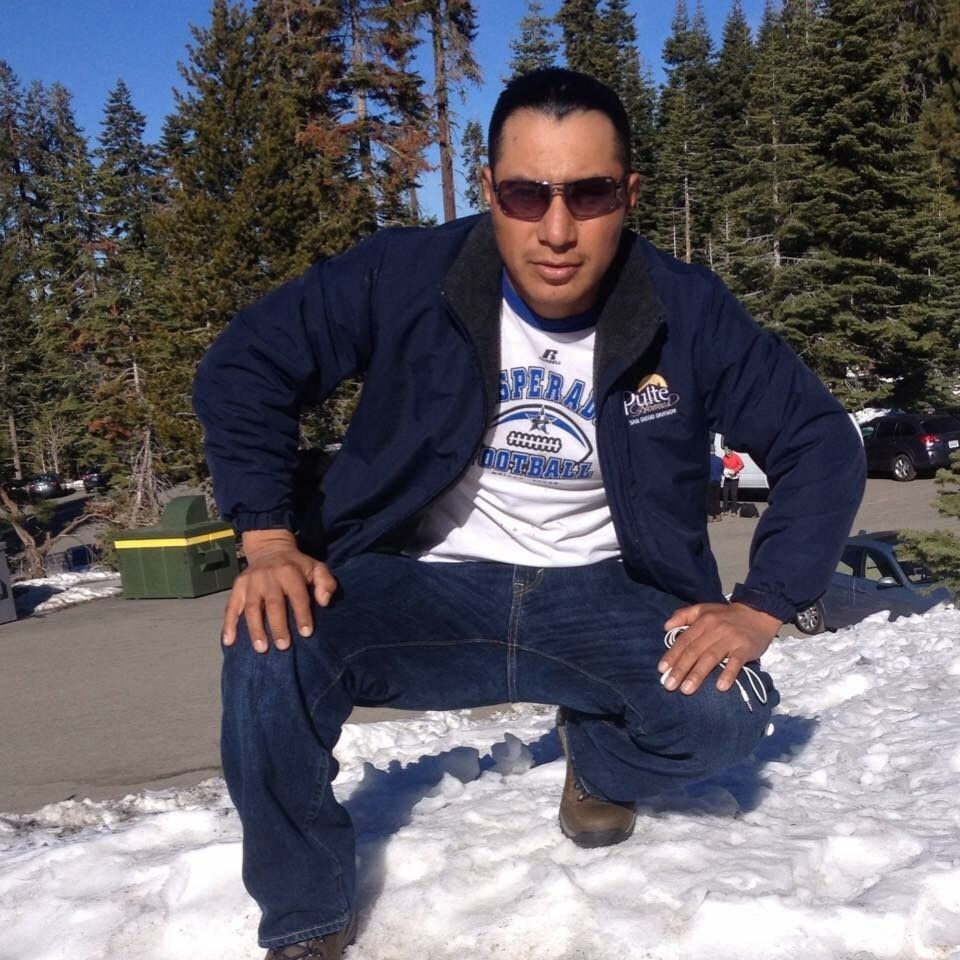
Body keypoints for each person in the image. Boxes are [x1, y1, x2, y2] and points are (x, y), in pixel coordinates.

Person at [193, 68, 865, 960]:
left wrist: (761, 605)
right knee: (268, 637)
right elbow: (245, 365)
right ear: (489, 190)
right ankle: (306, 914)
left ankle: (600, 756)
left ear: (629, 194)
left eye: (588, 194)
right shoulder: (404, 275)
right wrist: (270, 538)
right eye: (526, 194)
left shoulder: (685, 310)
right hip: (420, 585)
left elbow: (819, 440)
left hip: (607, 595)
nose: (555, 229)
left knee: (727, 715)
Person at [722, 446, 745, 515]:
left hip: (735, 478)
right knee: (725, 494)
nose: (727, 453)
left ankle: (734, 511)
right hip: (727, 478)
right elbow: (723, 466)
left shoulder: (736, 456)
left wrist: (735, 470)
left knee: (733, 494)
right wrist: (725, 471)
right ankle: (725, 510)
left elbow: (741, 464)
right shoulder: (724, 457)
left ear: (731, 451)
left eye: (728, 452)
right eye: (726, 452)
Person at [708, 448, 724, 521]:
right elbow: (722, 470)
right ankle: (718, 516)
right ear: (715, 450)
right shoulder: (719, 459)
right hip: (717, 481)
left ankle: (711, 516)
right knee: (717, 498)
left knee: (710, 499)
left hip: (709, 481)